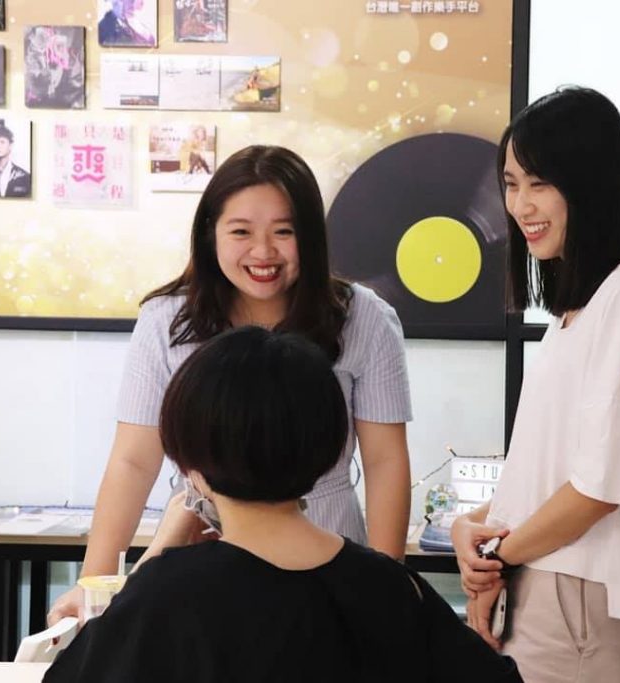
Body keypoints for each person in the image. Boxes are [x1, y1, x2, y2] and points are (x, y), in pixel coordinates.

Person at [47, 145, 413, 625]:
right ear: (209, 234)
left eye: (285, 232)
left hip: (324, 550)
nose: (263, 253)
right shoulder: (165, 321)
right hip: (200, 549)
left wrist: (383, 586)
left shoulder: (364, 318)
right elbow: (133, 460)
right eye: (241, 232)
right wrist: (93, 588)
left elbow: (386, 462)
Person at [43, 327, 521, 682]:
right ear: (330, 446)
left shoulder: (167, 593)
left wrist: (156, 556)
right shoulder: (390, 585)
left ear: (190, 460)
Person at [450, 86, 620, 683]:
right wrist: (470, 526)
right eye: (511, 183)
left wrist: (495, 553)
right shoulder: (579, 308)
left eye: (540, 183)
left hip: (577, 599)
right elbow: (553, 474)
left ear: (589, 183)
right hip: (548, 582)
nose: (521, 205)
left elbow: (600, 487)